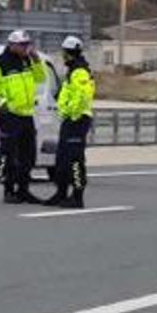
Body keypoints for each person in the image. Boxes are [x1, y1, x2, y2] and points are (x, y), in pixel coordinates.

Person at [0, 29, 48, 204]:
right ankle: (9, 189)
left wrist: (36, 59)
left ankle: (23, 189)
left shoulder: (27, 60)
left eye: (28, 44)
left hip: (27, 115)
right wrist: (1, 103)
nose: (26, 48)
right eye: (23, 45)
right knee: (9, 155)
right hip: (10, 115)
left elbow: (40, 78)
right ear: (12, 45)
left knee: (29, 155)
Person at [46, 36, 94, 208]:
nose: (63, 55)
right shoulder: (73, 70)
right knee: (62, 158)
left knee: (74, 159)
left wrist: (70, 113)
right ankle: (61, 193)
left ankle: (77, 196)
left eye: (64, 53)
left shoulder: (80, 71)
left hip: (77, 120)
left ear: (68, 53)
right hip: (70, 120)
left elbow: (82, 97)